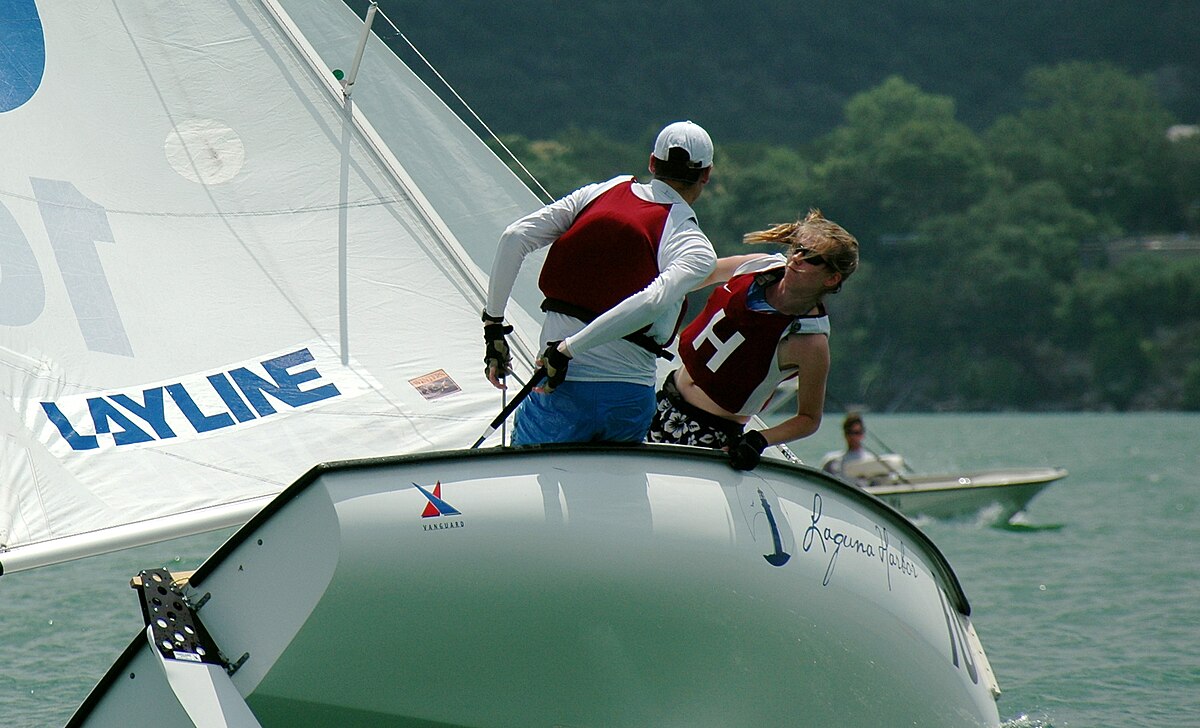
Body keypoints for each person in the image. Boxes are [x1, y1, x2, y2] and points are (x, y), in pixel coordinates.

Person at [483, 120, 718, 445]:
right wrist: (567, 350)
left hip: (560, 388)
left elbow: (514, 237)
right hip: (628, 398)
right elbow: (652, 301)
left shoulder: (603, 191)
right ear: (706, 174)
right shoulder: (694, 244)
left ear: (652, 162)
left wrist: (494, 328)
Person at [646, 209, 859, 470]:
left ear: (832, 278)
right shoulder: (760, 266)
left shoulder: (809, 342)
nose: (797, 258)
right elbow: (700, 276)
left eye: (812, 257)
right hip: (660, 399)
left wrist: (759, 441)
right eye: (798, 248)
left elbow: (808, 418)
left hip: (710, 435)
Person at [820, 412, 871, 478]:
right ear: (844, 434)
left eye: (856, 433)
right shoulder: (831, 461)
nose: (853, 437)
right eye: (849, 432)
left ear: (862, 434)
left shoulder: (871, 460)